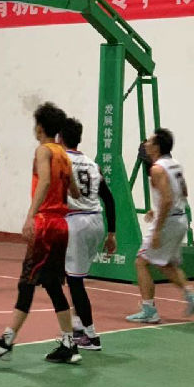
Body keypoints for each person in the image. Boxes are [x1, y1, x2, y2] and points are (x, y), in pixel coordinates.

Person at [0, 102, 83, 365]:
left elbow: (45, 181)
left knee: (26, 282)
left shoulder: (43, 150)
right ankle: (69, 343)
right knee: (53, 285)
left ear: (40, 127)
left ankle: (7, 340)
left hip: (45, 223)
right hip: (61, 225)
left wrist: (31, 215)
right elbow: (76, 191)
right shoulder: (64, 154)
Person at [126, 128, 194, 323]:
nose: (146, 144)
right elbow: (182, 192)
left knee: (141, 261)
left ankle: (149, 310)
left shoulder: (157, 169)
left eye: (149, 141)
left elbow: (168, 199)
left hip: (168, 222)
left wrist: (157, 229)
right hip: (180, 219)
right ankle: (192, 295)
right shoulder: (175, 164)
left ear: (157, 147)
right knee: (165, 263)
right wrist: (157, 209)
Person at [61, 117, 117, 351]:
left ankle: (91, 336)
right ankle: (77, 326)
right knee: (75, 276)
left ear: (60, 138)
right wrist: (112, 233)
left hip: (77, 222)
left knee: (75, 282)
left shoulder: (60, 160)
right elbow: (109, 199)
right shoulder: (93, 164)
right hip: (97, 222)